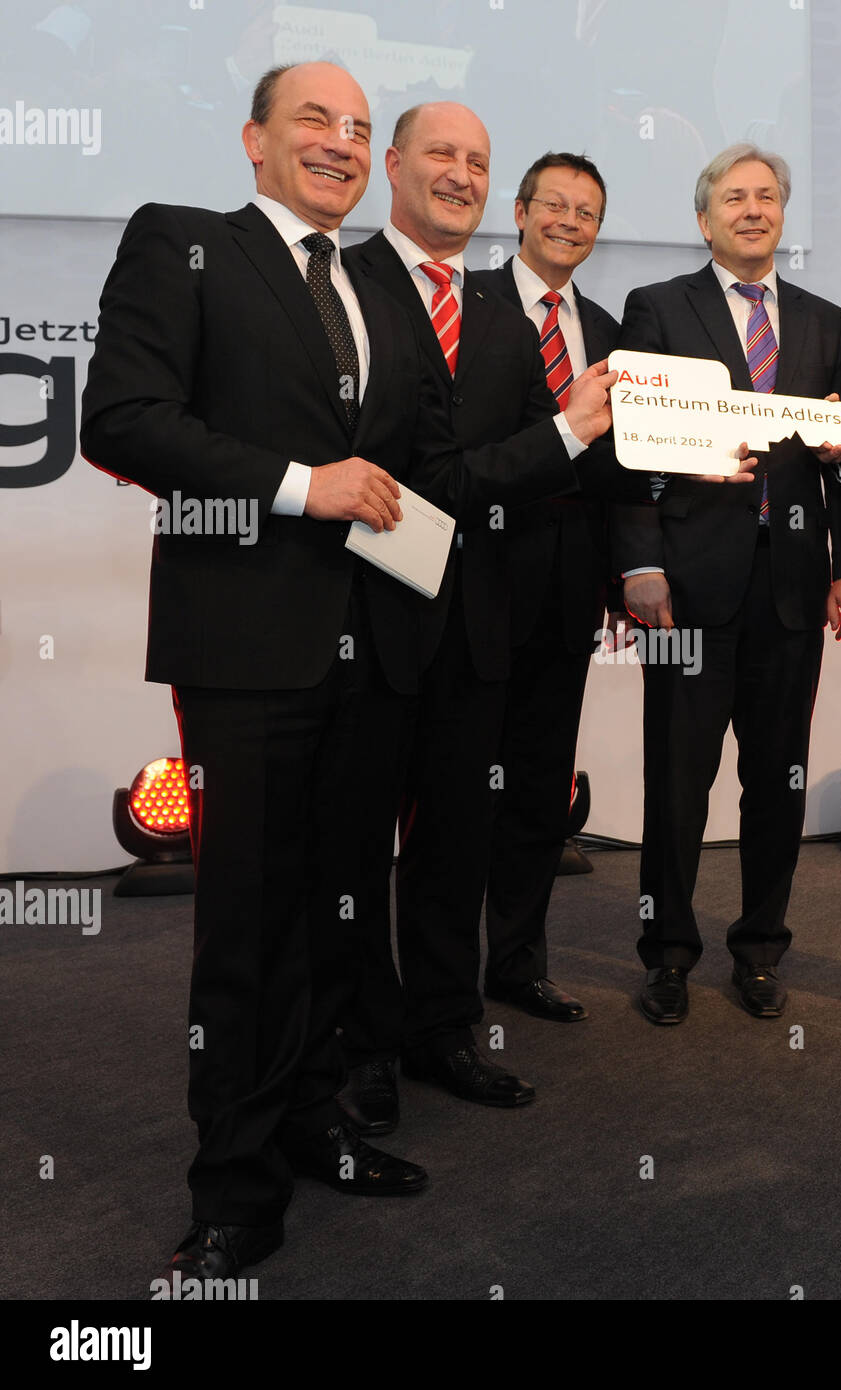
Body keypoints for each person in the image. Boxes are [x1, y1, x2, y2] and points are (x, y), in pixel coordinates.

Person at [79, 63, 611, 1283]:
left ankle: (317, 1121)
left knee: (331, 910)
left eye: (356, 128)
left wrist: (575, 426)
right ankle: (234, 1189)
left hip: (367, 655)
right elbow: (123, 417)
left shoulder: (383, 300)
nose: (338, 141)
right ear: (257, 139)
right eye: (314, 120)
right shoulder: (186, 243)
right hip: (248, 650)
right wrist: (296, 486)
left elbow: (437, 479)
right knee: (247, 929)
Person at [340, 107, 614, 1116]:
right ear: (394, 165)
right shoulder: (339, 284)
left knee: (457, 840)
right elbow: (421, 475)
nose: (459, 174)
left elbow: (486, 484)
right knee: (361, 848)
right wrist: (566, 432)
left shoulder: (507, 321)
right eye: (442, 155)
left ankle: (443, 1029)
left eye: (477, 162)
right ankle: (361, 1041)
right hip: (366, 619)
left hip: (479, 618)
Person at [615, 143, 841, 1026]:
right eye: (734, 198)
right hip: (688, 586)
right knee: (677, 781)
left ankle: (761, 950)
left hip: (794, 587)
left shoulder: (826, 322)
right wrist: (641, 562)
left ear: (782, 214)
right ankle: (668, 955)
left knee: (779, 779)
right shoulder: (656, 308)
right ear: (704, 218)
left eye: (767, 196)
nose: (753, 209)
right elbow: (633, 447)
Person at [473, 152, 646, 1025]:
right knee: (456, 788)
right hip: (472, 585)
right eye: (556, 206)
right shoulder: (463, 303)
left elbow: (614, 467)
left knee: (539, 788)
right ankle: (432, 983)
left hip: (568, 589)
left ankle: (518, 961)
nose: (570, 222)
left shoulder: (611, 332)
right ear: (521, 209)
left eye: (587, 212)